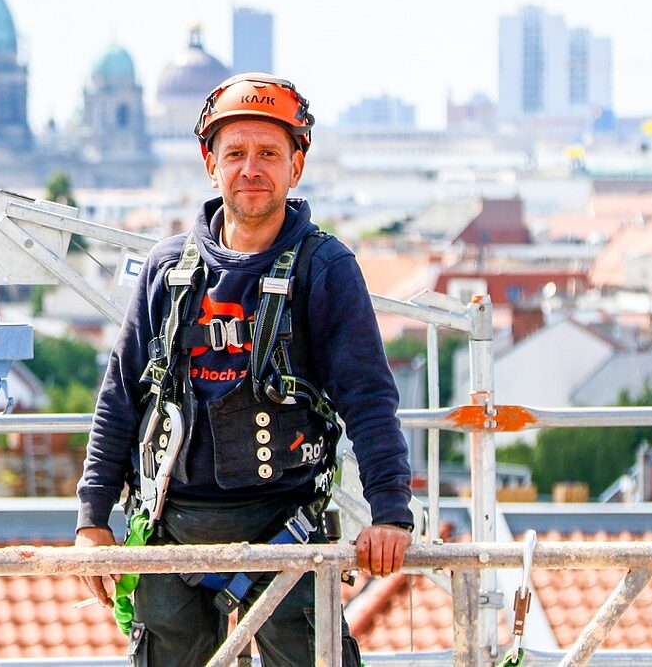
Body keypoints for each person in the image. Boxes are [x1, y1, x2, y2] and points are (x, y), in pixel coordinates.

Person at [74, 73, 413, 666]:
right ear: (211, 163)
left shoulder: (325, 268)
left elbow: (368, 398)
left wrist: (390, 512)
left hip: (286, 526)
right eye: (235, 153)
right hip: (170, 526)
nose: (250, 169)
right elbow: (121, 397)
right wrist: (92, 519)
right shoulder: (168, 271)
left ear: (296, 166)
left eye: (268, 154)